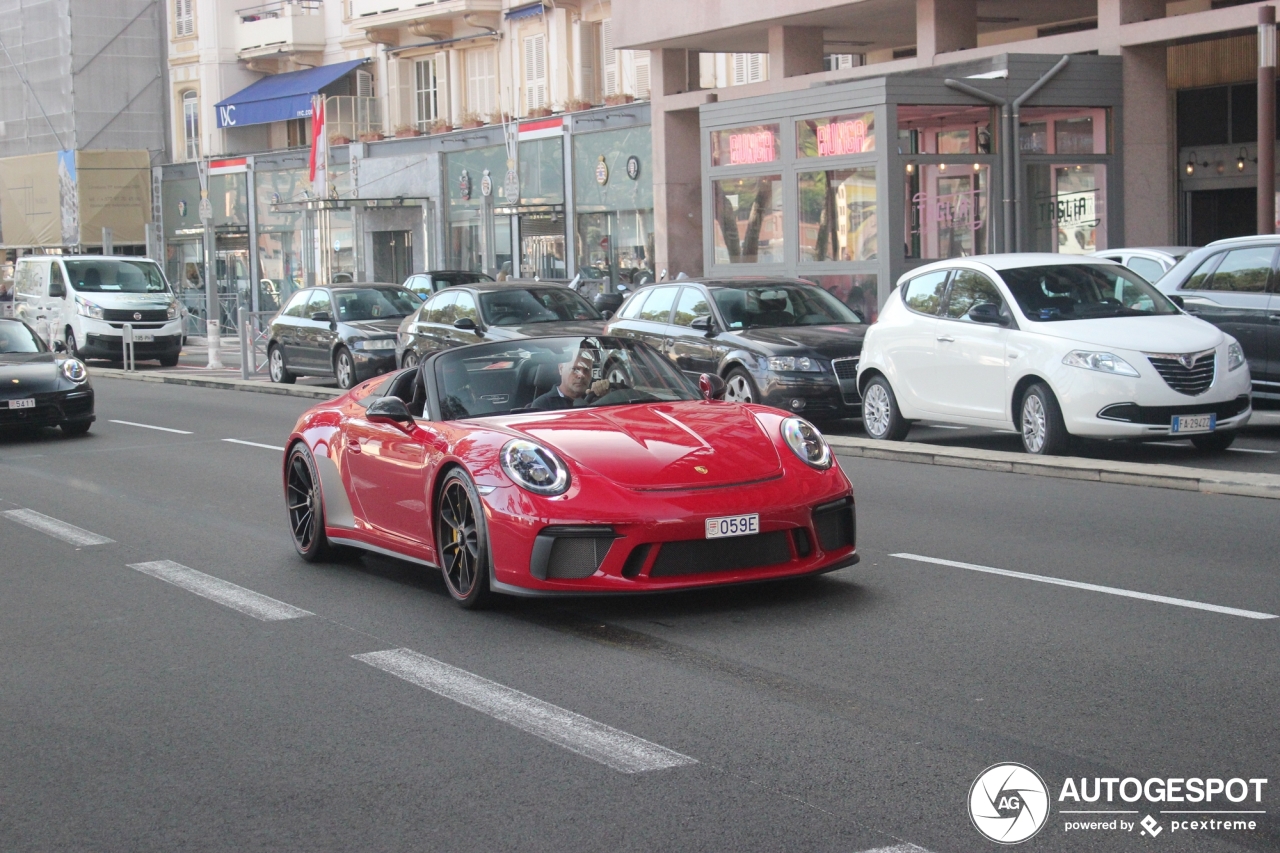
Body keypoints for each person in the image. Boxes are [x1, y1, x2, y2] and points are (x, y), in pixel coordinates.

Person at [528, 348, 611, 411]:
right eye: (575, 369)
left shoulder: (598, 396)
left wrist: (606, 397)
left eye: (586, 370)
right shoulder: (543, 405)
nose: (581, 375)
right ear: (561, 369)